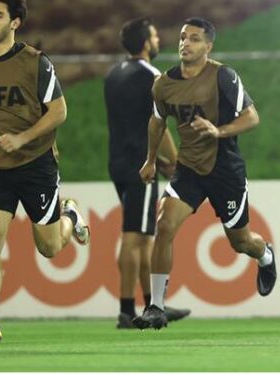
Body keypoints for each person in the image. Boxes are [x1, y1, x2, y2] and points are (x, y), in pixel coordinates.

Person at [0, 0, 91, 345]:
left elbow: (59, 111)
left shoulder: (35, 62)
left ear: (15, 22)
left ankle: (70, 215)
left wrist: (22, 138)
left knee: (49, 248)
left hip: (36, 164)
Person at [132, 17, 277, 329]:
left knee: (240, 242)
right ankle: (155, 306)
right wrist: (151, 160)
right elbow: (157, 121)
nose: (185, 43)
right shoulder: (163, 84)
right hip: (189, 168)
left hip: (226, 170)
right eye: (183, 37)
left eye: (194, 39)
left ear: (208, 46)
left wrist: (218, 131)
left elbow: (251, 117)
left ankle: (265, 254)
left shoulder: (223, 76)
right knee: (164, 224)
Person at [104, 17, 191, 329]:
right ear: (145, 42)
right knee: (134, 236)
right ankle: (127, 310)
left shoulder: (113, 74)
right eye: (154, 36)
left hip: (118, 161)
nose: (157, 40)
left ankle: (153, 306)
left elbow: (128, 122)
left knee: (143, 237)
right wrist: (175, 161)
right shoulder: (151, 75)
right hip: (141, 166)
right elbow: (157, 123)